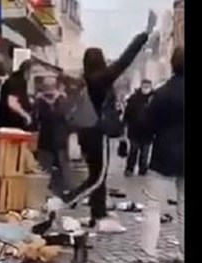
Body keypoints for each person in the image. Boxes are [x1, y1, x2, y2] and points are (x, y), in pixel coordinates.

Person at [63, 32, 150, 228]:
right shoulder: (99, 80)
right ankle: (66, 201)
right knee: (97, 177)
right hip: (96, 133)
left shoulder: (87, 79)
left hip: (87, 132)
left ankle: (99, 211)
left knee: (98, 175)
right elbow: (123, 62)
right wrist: (141, 38)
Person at [125, 47, 185, 263]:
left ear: (172, 64)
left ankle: (147, 260)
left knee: (152, 207)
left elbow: (147, 124)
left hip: (164, 156)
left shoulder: (163, 93)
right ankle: (182, 259)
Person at [35, 76, 73, 197]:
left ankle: (64, 192)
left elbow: (63, 116)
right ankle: (45, 191)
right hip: (50, 140)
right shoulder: (41, 101)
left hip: (55, 139)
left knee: (61, 169)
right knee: (47, 168)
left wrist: (54, 101)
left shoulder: (61, 100)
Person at [123, 79, 155, 176]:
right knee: (133, 151)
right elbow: (127, 113)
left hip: (148, 131)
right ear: (141, 86)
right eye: (144, 86)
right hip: (135, 130)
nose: (146, 88)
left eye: (147, 86)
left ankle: (142, 169)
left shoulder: (154, 99)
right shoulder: (134, 98)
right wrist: (125, 124)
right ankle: (130, 168)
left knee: (145, 152)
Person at [0, 60, 34, 130]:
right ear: (27, 72)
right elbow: (12, 103)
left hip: (14, 126)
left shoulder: (22, 82)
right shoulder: (15, 81)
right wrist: (26, 116)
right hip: (10, 127)